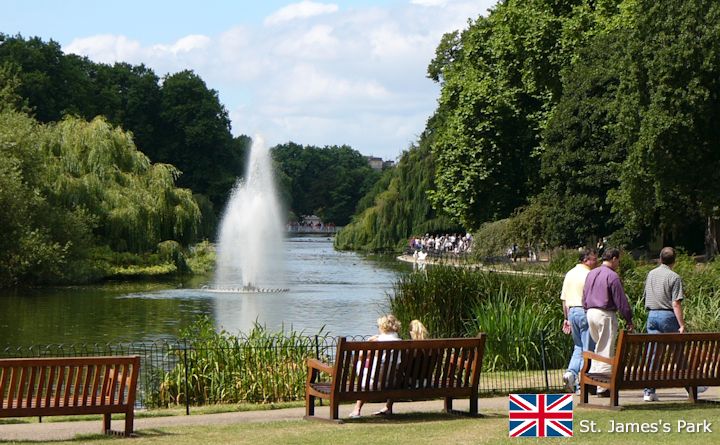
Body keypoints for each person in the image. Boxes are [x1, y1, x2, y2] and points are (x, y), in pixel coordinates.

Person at [642, 247, 706, 401]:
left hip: (652, 315)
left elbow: (645, 296)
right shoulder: (674, 277)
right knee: (678, 353)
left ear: (660, 258)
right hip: (667, 315)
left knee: (653, 354)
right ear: (674, 260)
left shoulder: (651, 274)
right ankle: (691, 386)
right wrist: (682, 324)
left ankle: (648, 391)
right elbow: (676, 303)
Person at [582, 248, 634, 397]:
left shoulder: (591, 273)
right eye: (618, 260)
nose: (618, 263)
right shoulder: (612, 276)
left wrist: (586, 310)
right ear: (614, 259)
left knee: (599, 348)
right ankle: (602, 386)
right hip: (604, 313)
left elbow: (584, 294)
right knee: (605, 349)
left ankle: (593, 378)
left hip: (590, 312)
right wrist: (628, 318)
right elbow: (621, 301)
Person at [348, 314, 402, 418]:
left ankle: (357, 409)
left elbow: (360, 357)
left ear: (382, 327)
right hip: (392, 382)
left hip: (371, 382)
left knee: (362, 365)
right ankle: (388, 407)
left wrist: (368, 342)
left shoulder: (377, 342)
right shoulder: (400, 342)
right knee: (388, 368)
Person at [560, 248, 598, 394]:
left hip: (572, 312)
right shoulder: (589, 274)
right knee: (588, 349)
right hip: (585, 311)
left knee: (578, 347)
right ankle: (582, 383)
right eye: (594, 259)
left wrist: (566, 318)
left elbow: (564, 299)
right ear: (586, 260)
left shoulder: (570, 273)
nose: (596, 262)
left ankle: (571, 373)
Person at [373, 319, 430, 416]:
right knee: (396, 377)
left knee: (396, 379)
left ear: (412, 332)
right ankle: (388, 408)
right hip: (427, 382)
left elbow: (403, 367)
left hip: (411, 382)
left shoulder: (411, 351)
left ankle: (387, 407)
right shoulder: (433, 349)